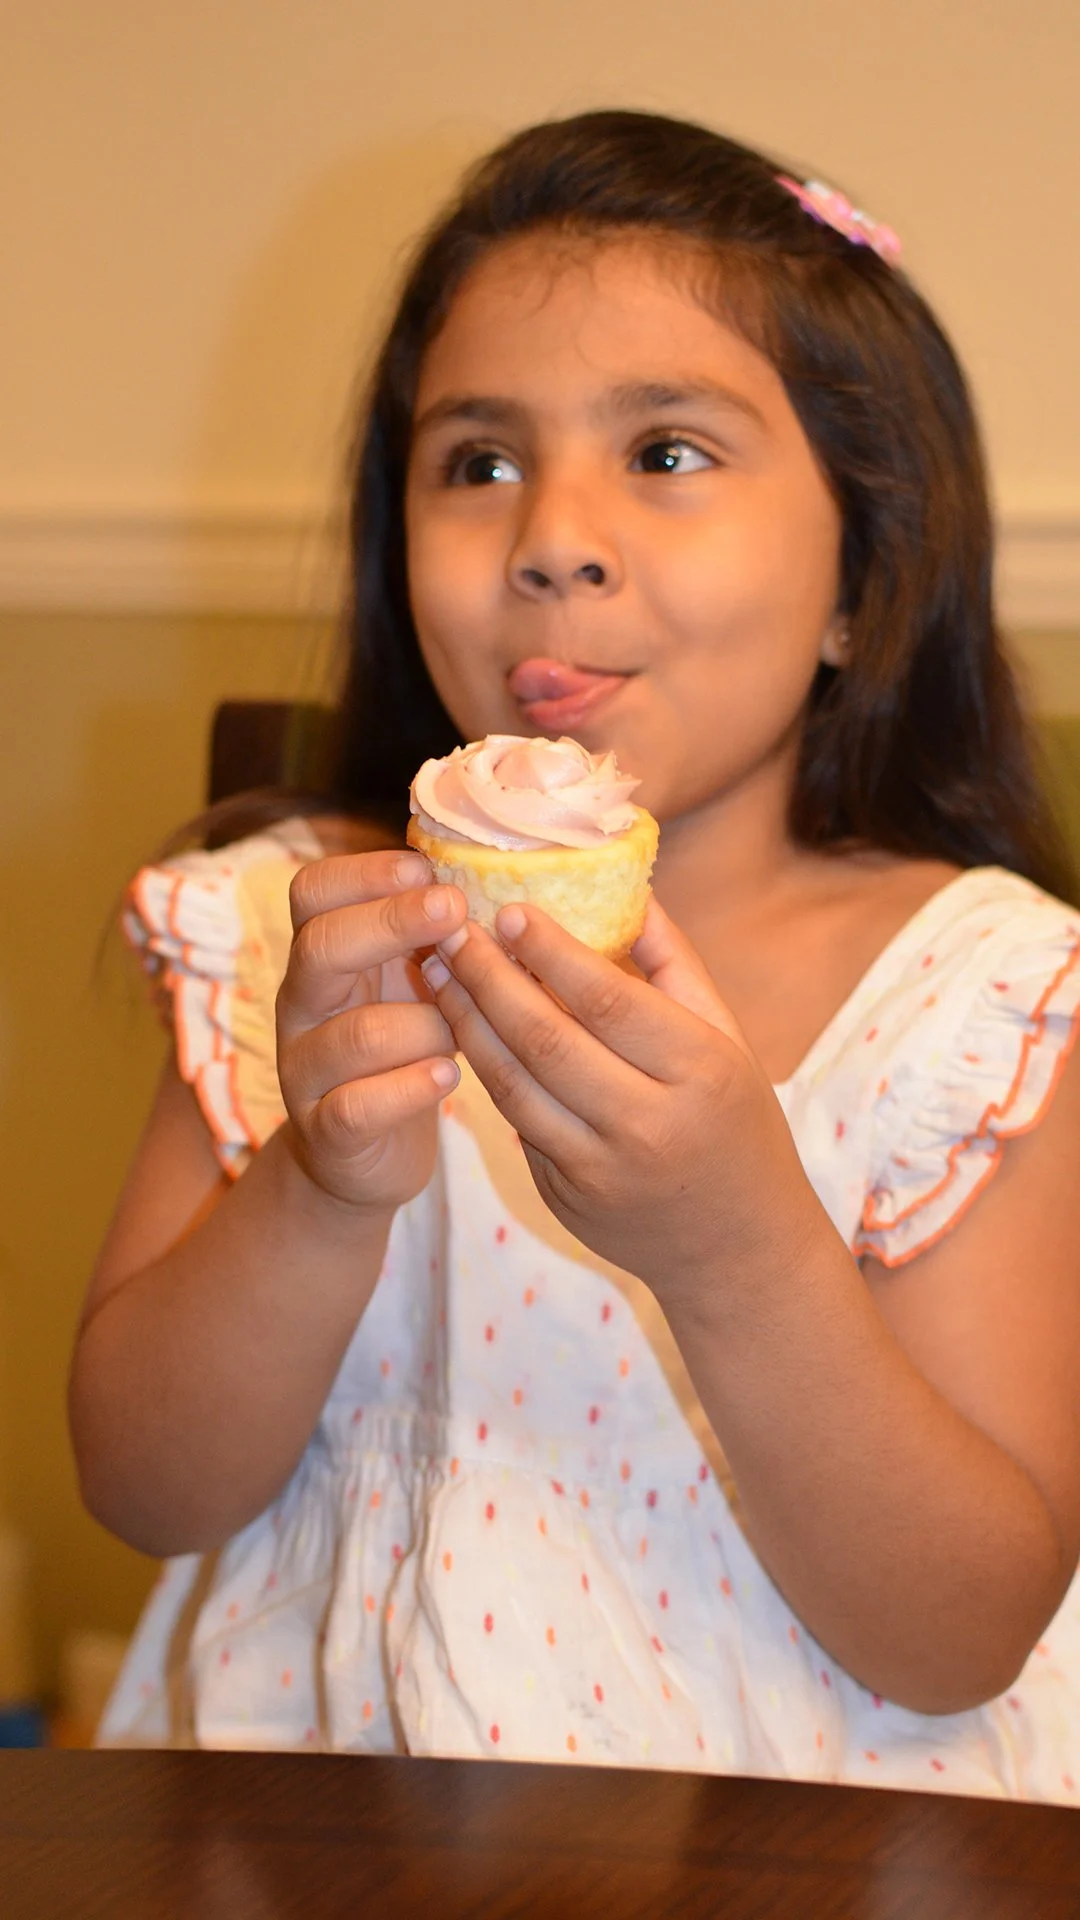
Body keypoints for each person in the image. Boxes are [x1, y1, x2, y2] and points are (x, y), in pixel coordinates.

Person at [70, 110, 1080, 1800]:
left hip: (808, 1842)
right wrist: (317, 1183)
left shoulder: (972, 993)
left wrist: (744, 1253)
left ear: (863, 579)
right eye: (477, 459)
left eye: (667, 450)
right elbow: (145, 1486)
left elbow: (961, 1627)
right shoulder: (289, 928)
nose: (550, 533)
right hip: (321, 1822)